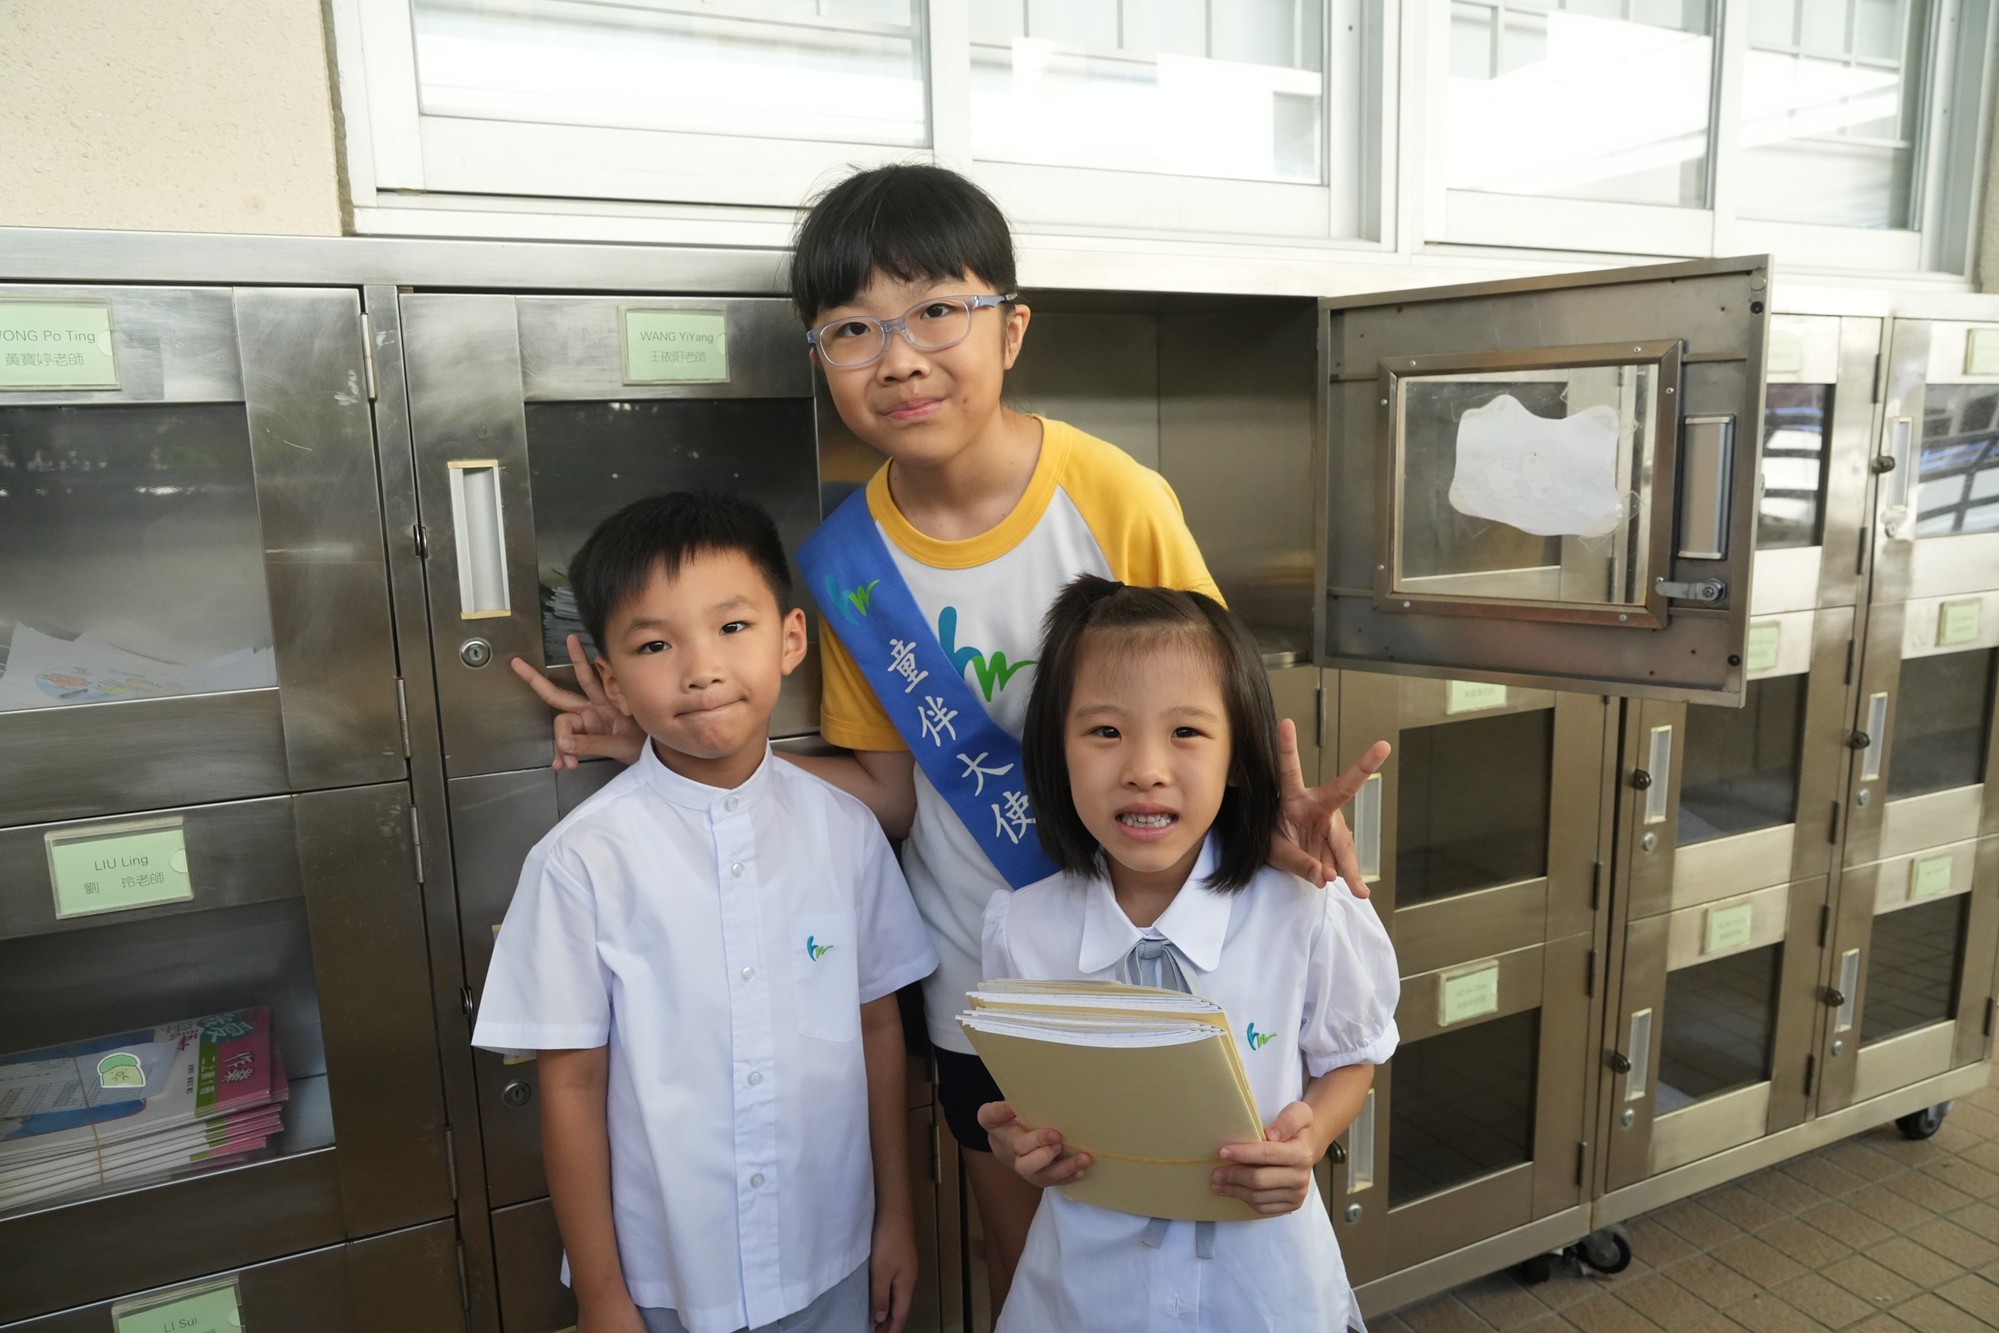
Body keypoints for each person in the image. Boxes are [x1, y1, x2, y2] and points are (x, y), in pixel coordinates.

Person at [509, 163, 1390, 1307]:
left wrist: (1273, 814)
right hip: (995, 978)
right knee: (1041, 1269)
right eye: (853, 329)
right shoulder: (843, 564)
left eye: (935, 310)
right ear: (821, 356)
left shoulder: (1112, 494)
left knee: (1220, 1242)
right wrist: (669, 752)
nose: (899, 358)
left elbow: (1210, 699)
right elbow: (888, 788)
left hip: (1179, 957)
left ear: (1010, 328)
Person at [474, 492, 938, 1333]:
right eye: (655, 644)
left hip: (830, 1255)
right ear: (610, 680)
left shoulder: (844, 830)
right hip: (667, 1278)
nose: (700, 668)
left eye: (731, 626)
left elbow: (878, 1028)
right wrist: (602, 1296)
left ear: (789, 638)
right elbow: (570, 1082)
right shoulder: (582, 861)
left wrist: (895, 1219)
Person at [977, 576, 1398, 1331]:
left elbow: (1350, 1058)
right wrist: (1015, 1146)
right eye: (1104, 731)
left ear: (1238, 755)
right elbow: (1024, 1107)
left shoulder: (1302, 908)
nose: (1144, 767)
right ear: (1055, 750)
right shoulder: (1021, 929)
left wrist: (1310, 1137)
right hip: (1088, 1297)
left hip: (1263, 1291)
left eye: (1186, 732)